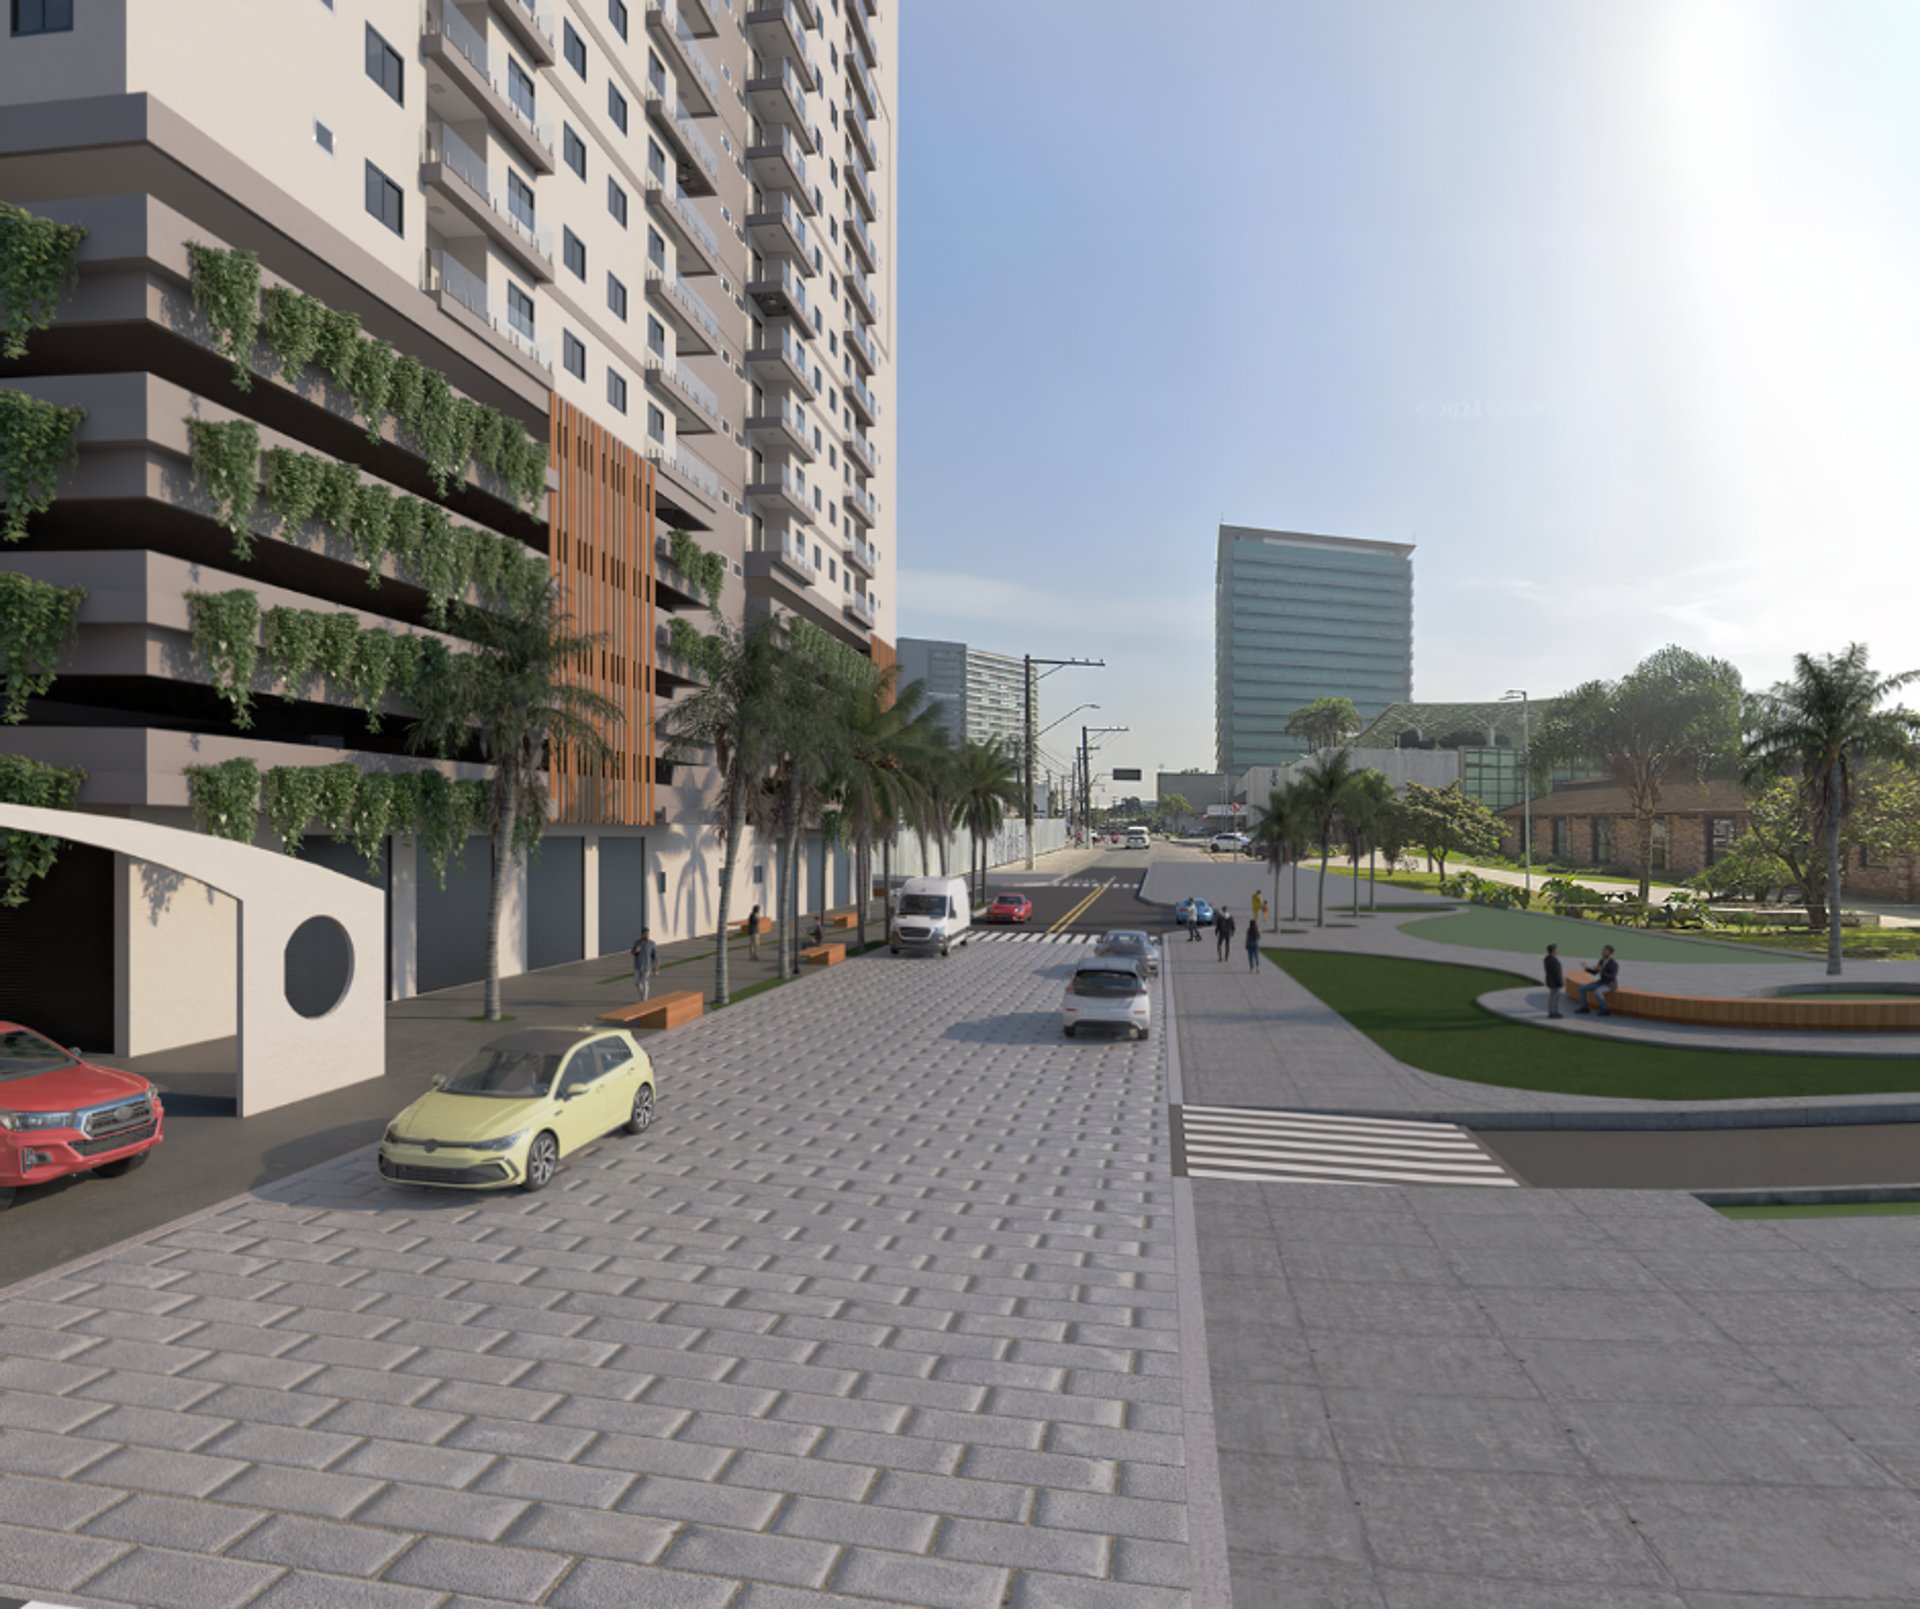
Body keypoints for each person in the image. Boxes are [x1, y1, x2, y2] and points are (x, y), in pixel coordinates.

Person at [1575, 945, 1620, 1015]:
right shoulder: (1601, 961)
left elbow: (1612, 977)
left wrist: (1601, 971)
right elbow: (1595, 972)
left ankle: (1606, 1009)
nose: (1603, 951)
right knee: (1581, 988)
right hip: (1601, 983)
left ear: (1610, 953)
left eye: (1605, 951)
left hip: (1610, 984)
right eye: (1603, 950)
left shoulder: (1614, 964)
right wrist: (1587, 968)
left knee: (1597, 992)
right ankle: (1584, 1008)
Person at [629, 928, 659, 1001]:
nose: (647, 935)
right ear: (642, 934)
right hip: (637, 966)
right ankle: (642, 994)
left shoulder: (652, 944)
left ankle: (645, 999)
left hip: (647, 967)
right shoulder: (637, 942)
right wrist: (636, 950)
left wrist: (656, 968)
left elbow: (655, 957)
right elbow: (632, 952)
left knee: (645, 982)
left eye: (648, 934)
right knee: (636, 982)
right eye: (645, 934)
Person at [1543, 943, 1564, 1018]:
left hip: (1550, 981)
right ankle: (1553, 1013)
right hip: (1555, 983)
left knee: (1552, 997)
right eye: (1556, 949)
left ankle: (1552, 1012)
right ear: (1554, 951)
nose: (1558, 951)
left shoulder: (1546, 959)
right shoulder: (1554, 961)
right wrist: (1561, 983)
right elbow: (1557, 973)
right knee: (1555, 998)